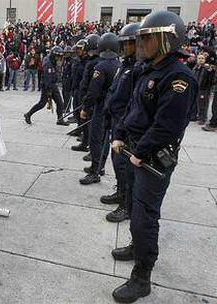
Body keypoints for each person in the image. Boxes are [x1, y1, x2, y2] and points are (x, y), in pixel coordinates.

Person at [110, 11, 198, 303]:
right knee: (135, 209)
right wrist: (121, 134)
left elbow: (168, 126)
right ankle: (137, 247)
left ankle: (141, 277)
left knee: (145, 217)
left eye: (148, 37)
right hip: (136, 150)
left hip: (151, 158)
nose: (142, 43)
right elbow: (133, 109)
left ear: (166, 40)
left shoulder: (178, 77)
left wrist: (142, 151)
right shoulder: (148, 69)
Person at [101, 23, 141, 223]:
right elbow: (115, 92)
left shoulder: (137, 68)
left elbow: (133, 101)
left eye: (129, 43)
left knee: (124, 166)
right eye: (123, 43)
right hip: (116, 120)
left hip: (126, 124)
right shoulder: (124, 65)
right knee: (117, 163)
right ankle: (120, 193)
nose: (125, 47)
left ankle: (126, 205)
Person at [80, 33, 121, 185]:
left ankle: (95, 171)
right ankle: (100, 167)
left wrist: (85, 107)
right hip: (112, 108)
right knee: (104, 140)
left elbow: (93, 91)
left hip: (101, 107)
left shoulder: (101, 66)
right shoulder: (119, 64)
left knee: (95, 138)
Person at [70, 34, 100, 157]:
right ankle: (85, 140)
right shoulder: (83, 60)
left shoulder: (94, 62)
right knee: (82, 119)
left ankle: (91, 149)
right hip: (80, 92)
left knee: (90, 123)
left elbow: (91, 83)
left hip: (89, 96)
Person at [23, 46, 69, 126]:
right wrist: (49, 91)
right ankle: (28, 114)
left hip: (52, 84)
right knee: (42, 104)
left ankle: (60, 119)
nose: (59, 58)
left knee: (60, 102)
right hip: (48, 85)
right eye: (58, 56)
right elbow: (48, 78)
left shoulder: (51, 60)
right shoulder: (48, 63)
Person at [191, 52, 215, 125]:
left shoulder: (207, 68)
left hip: (204, 89)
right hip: (196, 87)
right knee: (194, 102)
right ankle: (193, 116)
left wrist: (209, 69)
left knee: (203, 104)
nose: (201, 60)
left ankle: (202, 118)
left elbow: (211, 77)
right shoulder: (195, 67)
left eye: (202, 58)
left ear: (205, 60)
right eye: (199, 58)